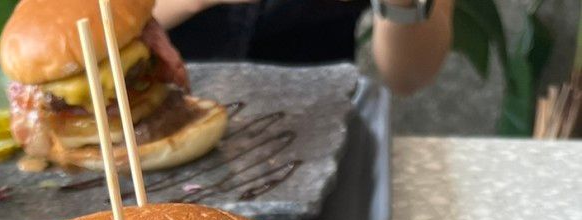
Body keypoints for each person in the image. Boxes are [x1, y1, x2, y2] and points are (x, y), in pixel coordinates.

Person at [154, 0, 454, 95]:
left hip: (319, 152)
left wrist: (400, 4)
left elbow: (409, 76)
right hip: (143, 142)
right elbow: (108, 20)